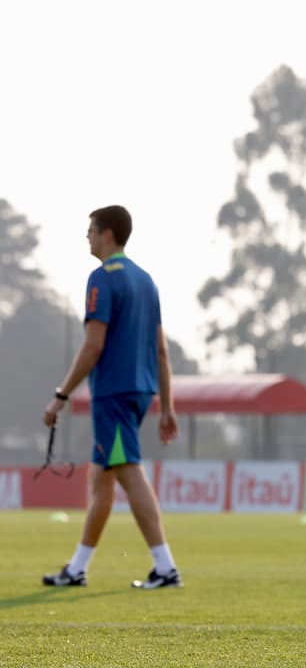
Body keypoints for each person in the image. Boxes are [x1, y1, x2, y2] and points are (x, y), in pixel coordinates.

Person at [41, 205, 183, 590]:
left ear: (107, 233)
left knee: (127, 470)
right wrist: (167, 406)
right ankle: (77, 568)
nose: (86, 236)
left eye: (90, 229)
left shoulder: (101, 279)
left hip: (114, 395)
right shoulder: (146, 281)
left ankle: (166, 566)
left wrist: (61, 396)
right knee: (101, 477)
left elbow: (93, 346)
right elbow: (161, 351)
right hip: (139, 393)